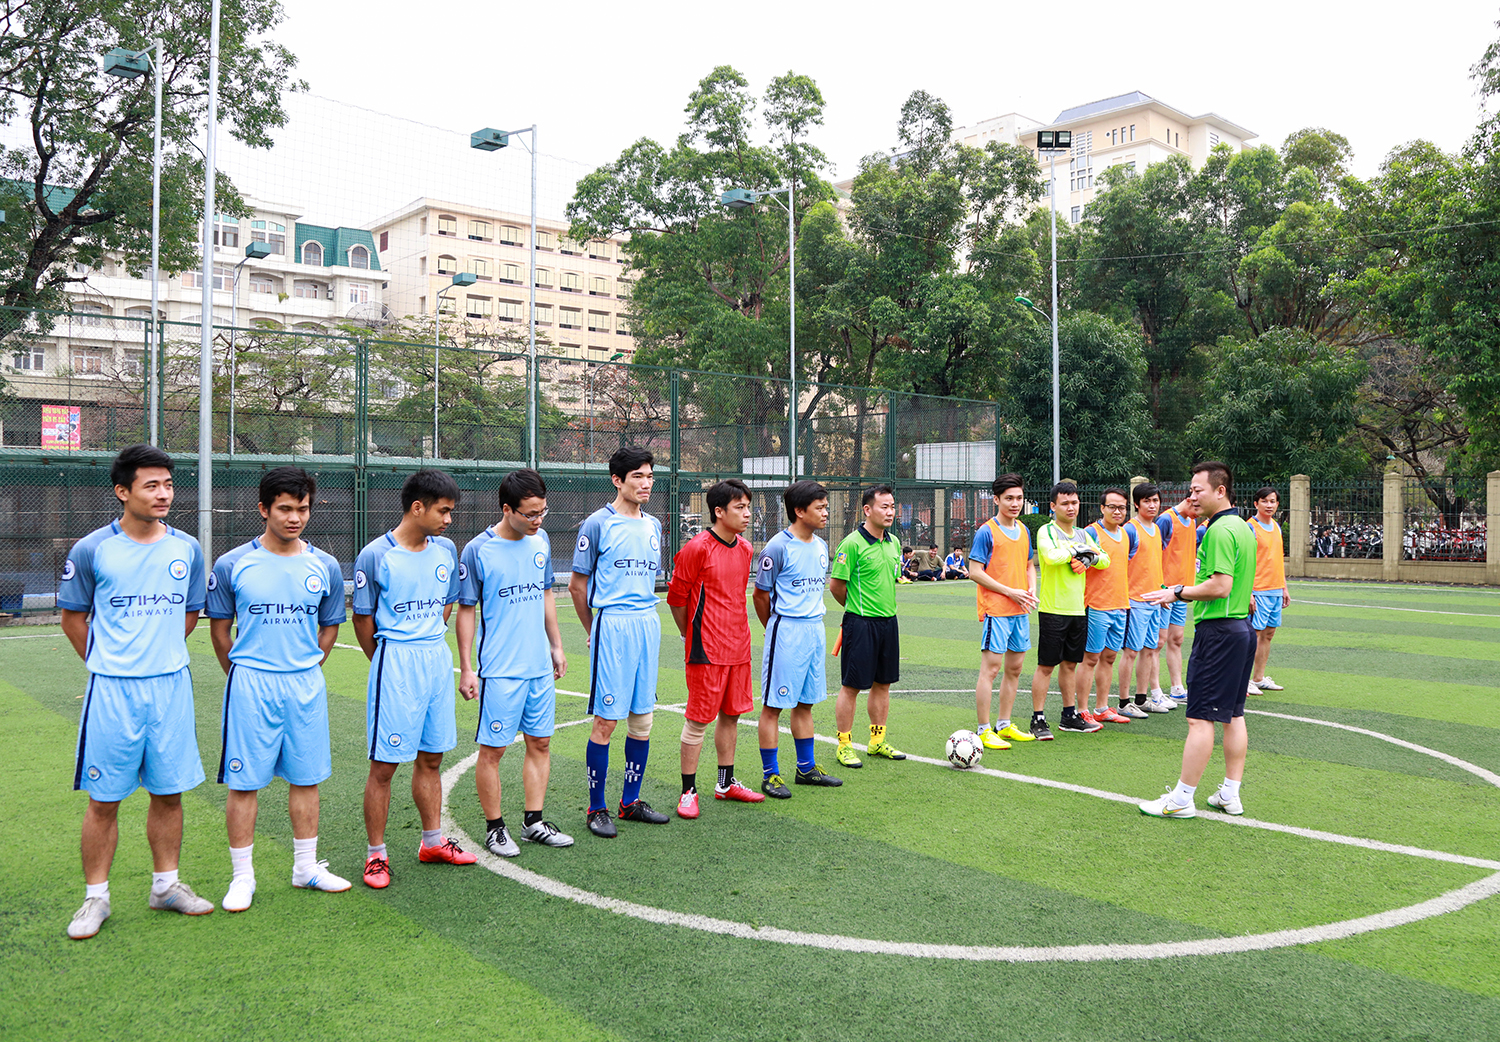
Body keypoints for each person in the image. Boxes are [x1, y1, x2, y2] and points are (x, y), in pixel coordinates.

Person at [59, 445, 215, 939]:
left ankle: (165, 886)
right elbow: (72, 618)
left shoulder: (187, 549)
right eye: (151, 485)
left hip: (170, 687)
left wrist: (157, 654)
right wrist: (110, 663)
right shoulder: (92, 549)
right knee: (104, 799)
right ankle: (95, 898)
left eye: (168, 484)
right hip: (113, 691)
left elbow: (189, 614)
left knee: (169, 793)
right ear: (122, 491)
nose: (164, 493)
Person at [208, 467, 350, 911]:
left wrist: (307, 666)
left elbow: (330, 626)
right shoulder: (232, 564)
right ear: (263, 509)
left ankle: (305, 868)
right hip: (250, 683)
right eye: (285, 509)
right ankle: (242, 877)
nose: (295, 518)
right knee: (244, 782)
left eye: (302, 509)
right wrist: (241, 673)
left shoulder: (325, 566)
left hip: (305, 684)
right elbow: (220, 631)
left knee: (306, 778)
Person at [354, 468, 472, 888]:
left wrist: (430, 636)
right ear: (417, 507)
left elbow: (447, 603)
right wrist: (386, 661)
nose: (448, 520)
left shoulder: (446, 550)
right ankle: (376, 855)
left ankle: (432, 842)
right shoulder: (376, 555)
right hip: (396, 661)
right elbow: (363, 619)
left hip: (435, 659)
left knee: (432, 758)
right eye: (443, 511)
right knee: (385, 765)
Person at [456, 468, 573, 856]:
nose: (538, 520)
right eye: (530, 513)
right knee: (494, 750)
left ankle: (533, 822)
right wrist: (467, 666)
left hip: (538, 666)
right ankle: (495, 829)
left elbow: (545, 593)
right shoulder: (478, 550)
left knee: (540, 742)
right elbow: (466, 609)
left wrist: (556, 646)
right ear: (507, 509)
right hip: (500, 669)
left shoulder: (540, 541)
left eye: (543, 512)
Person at [1138, 461, 1258, 819]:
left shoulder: (1220, 530)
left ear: (1220, 491)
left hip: (1219, 632)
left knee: (1200, 719)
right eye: (1190, 490)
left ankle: (1181, 799)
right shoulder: (1243, 527)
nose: (1191, 496)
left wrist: (1176, 592)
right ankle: (1229, 794)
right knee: (1233, 715)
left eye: (1197, 489)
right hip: (1241, 630)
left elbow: (1220, 586)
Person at [568, 446, 670, 838]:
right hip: (612, 624)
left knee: (642, 719)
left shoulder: (654, 525)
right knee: (606, 720)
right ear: (617, 480)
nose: (646, 484)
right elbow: (577, 586)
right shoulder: (597, 524)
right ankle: (596, 808)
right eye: (637, 477)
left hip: (647, 623)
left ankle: (630, 802)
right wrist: (593, 629)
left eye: (650, 476)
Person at [668, 479, 764, 818]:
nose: (747, 513)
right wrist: (689, 635)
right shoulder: (697, 548)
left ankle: (725, 783)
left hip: (739, 646)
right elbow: (676, 599)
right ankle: (688, 791)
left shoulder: (746, 548)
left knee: (731, 715)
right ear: (719, 512)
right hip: (706, 649)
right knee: (698, 720)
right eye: (740, 507)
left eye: (748, 507)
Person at [754, 480, 842, 795]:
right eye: (820, 507)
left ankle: (806, 768)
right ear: (799, 511)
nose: (826, 513)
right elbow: (760, 595)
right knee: (773, 706)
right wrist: (773, 628)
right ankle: (770, 775)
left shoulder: (820, 546)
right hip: (787, 630)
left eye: (826, 507)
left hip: (815, 629)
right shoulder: (777, 547)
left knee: (805, 703)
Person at [830, 484, 907, 767]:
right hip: (860, 624)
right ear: (867, 509)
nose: (890, 512)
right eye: (884, 507)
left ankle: (877, 741)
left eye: (892, 507)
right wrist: (856, 609)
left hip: (889, 622)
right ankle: (844, 745)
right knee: (852, 686)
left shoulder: (894, 542)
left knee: (883, 684)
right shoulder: (851, 544)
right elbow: (836, 586)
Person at [1030, 481, 1109, 737]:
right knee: (1046, 666)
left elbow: (1105, 559)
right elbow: (1050, 556)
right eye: (1065, 503)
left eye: (1074, 502)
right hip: (1053, 609)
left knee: (1070, 665)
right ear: (1053, 506)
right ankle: (1038, 719)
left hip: (1078, 610)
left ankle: (1069, 715)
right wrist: (1077, 551)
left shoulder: (1084, 534)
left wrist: (1089, 558)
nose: (1071, 507)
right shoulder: (1047, 531)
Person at [967, 474, 1038, 750]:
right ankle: (984, 729)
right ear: (996, 500)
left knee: (1015, 668)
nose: (1015, 503)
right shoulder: (986, 532)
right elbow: (975, 571)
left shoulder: (1024, 530)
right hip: (996, 610)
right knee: (992, 669)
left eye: (1019, 498)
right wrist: (1010, 591)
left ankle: (1004, 724)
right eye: (1009, 498)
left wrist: (1030, 589)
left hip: (1020, 609)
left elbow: (1029, 564)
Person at [1119, 483, 1175, 716]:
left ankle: (1142, 699)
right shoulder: (1130, 530)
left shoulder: (1157, 529)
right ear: (1136, 504)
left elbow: (1154, 565)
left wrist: (1161, 591)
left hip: (1154, 600)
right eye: (1147, 501)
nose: (1152, 505)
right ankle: (1124, 703)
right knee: (1131, 651)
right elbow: (1120, 566)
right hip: (1135, 601)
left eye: (1155, 501)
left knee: (1150, 649)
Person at [1080, 488, 1132, 724]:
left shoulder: (1125, 534)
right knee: (1090, 658)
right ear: (1102, 508)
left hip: (1120, 604)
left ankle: (1102, 708)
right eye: (1112, 507)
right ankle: (1082, 710)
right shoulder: (1091, 532)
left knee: (1109, 657)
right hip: (1096, 604)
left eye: (1121, 507)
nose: (1117, 511)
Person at [1157, 492, 1200, 704]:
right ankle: (1154, 691)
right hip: (1165, 591)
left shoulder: (1192, 521)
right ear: (1189, 500)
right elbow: (1153, 554)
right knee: (1158, 641)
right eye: (1197, 506)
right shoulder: (1166, 520)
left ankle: (1177, 688)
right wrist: (1160, 587)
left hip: (1181, 592)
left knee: (1177, 639)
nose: (1199, 511)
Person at [1247, 487, 1291, 695]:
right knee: (1253, 635)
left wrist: (1284, 587)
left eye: (1273, 501)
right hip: (1258, 589)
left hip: (1275, 589)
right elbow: (1245, 562)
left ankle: (1258, 678)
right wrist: (1248, 592)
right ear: (1256, 503)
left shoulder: (1276, 527)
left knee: (1269, 634)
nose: (1269, 505)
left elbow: (1278, 559)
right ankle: (1244, 679)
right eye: (1265, 501)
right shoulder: (1250, 527)